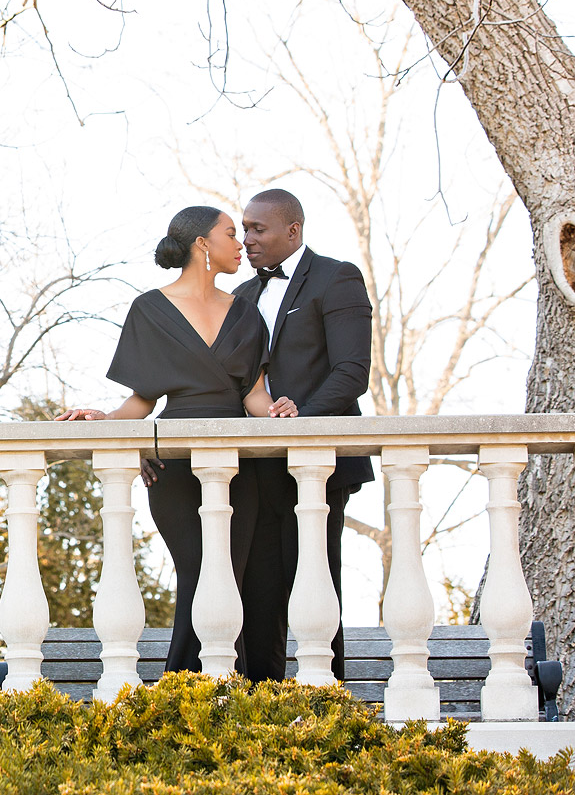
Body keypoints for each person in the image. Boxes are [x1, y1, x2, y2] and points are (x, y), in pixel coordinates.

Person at [56, 205, 297, 673]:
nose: (241, 244)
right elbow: (141, 403)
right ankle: (196, 694)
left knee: (231, 577)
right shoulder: (149, 309)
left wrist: (279, 410)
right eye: (231, 234)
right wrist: (103, 417)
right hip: (177, 470)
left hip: (239, 466)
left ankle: (214, 698)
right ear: (202, 244)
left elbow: (253, 397)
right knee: (199, 573)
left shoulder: (246, 313)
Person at [233, 188, 374, 682]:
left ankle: (327, 699)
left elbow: (353, 371)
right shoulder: (240, 296)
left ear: (293, 230)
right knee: (256, 586)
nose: (246, 238)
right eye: (243, 228)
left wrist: (303, 418)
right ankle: (261, 702)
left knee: (317, 578)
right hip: (252, 465)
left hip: (319, 462)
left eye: (257, 228)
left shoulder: (337, 278)